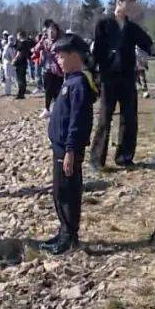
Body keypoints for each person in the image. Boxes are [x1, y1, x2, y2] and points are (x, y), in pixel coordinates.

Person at [42, 34, 97, 255]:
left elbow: (78, 121)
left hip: (68, 149)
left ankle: (69, 236)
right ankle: (64, 229)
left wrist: (71, 151)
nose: (59, 61)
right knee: (59, 191)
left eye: (62, 57)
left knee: (67, 192)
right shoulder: (70, 81)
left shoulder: (79, 85)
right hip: (60, 147)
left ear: (75, 56)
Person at [90, 0, 155, 168]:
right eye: (130, 3)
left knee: (129, 117)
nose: (133, 6)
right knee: (104, 118)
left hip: (127, 77)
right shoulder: (103, 24)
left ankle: (124, 157)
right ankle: (97, 160)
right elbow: (97, 52)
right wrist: (94, 73)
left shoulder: (132, 28)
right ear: (119, 2)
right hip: (108, 77)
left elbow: (148, 44)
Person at [35, 21, 64, 117]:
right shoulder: (45, 41)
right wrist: (41, 40)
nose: (51, 33)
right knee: (48, 90)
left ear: (57, 31)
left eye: (53, 31)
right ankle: (47, 109)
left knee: (58, 90)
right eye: (49, 31)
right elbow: (35, 49)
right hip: (47, 69)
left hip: (59, 70)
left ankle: (56, 108)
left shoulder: (61, 41)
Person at [14, 30, 35, 99]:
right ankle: (22, 92)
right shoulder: (28, 43)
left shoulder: (20, 43)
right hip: (25, 61)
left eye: (17, 35)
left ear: (20, 35)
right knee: (23, 78)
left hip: (19, 61)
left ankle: (20, 93)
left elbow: (18, 53)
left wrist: (14, 60)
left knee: (19, 78)